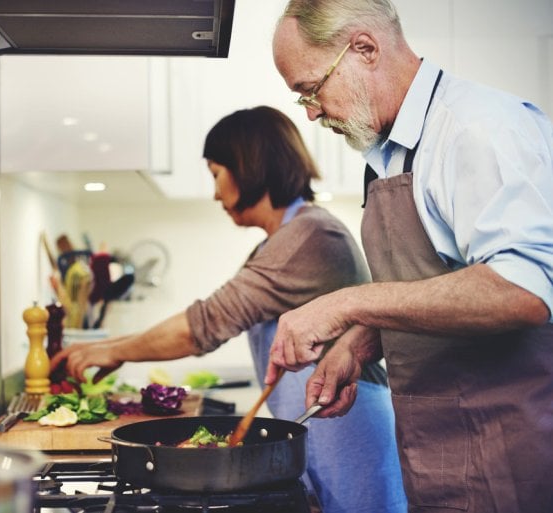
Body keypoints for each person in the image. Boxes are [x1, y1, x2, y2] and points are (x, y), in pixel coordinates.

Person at [267, 1, 553, 512]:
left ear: (364, 48)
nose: (310, 111)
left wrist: (349, 304)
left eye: (311, 89)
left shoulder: (476, 127)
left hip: (515, 463)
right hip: (442, 459)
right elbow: (441, 282)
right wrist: (359, 344)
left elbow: (523, 289)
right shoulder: (388, 154)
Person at [51, 106, 407, 513]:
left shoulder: (310, 236)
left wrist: (111, 350)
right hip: (324, 432)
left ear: (248, 166)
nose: (216, 193)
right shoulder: (285, 238)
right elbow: (211, 317)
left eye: (216, 173)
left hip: (350, 434)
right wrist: (112, 346)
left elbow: (201, 326)